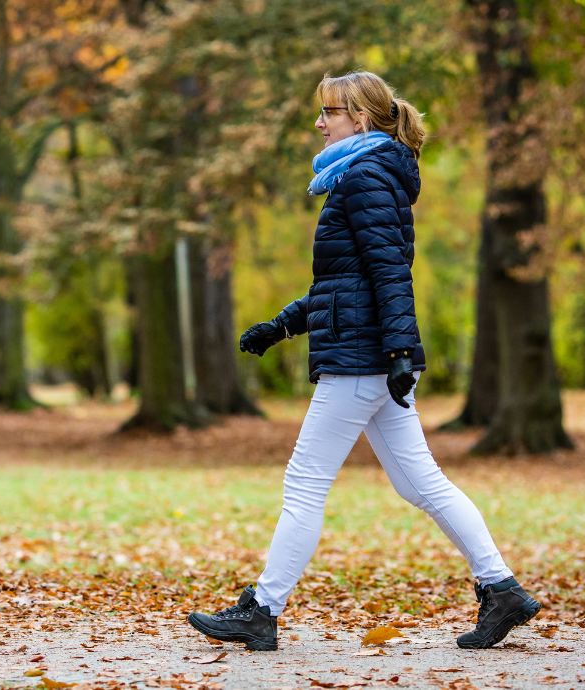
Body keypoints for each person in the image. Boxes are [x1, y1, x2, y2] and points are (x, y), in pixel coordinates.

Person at [185, 71, 540, 651]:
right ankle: (501, 589)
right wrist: (282, 325)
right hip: (371, 352)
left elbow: (388, 274)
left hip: (363, 359)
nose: (319, 123)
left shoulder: (367, 177)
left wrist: (401, 351)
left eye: (330, 112)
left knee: (304, 482)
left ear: (362, 119)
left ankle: (262, 610)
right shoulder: (363, 175)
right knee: (420, 483)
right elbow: (344, 282)